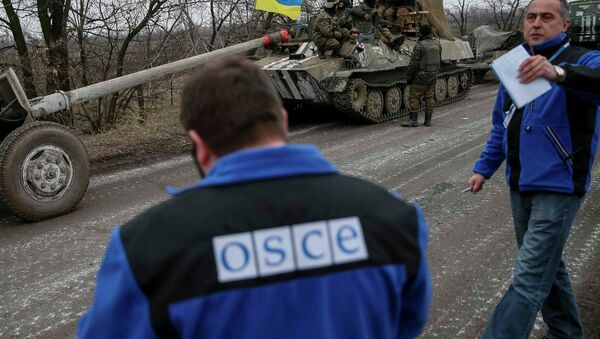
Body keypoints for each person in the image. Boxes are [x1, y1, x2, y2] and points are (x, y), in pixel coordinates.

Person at [77, 56, 432, 338]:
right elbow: (406, 322)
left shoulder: (145, 249)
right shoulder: (394, 220)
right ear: (282, 119)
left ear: (199, 146)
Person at [467, 0, 600, 337]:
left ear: (564, 25)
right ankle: (567, 333)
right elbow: (502, 125)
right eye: (531, 17)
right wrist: (484, 168)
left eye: (547, 17)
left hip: (560, 186)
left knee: (528, 279)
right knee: (547, 269)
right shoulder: (515, 65)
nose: (536, 23)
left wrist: (557, 73)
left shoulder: (581, 59)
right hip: (520, 184)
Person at [401, 24, 441, 127]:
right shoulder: (437, 44)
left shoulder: (420, 46)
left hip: (420, 76)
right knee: (429, 97)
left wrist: (409, 77)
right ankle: (428, 120)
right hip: (433, 75)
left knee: (414, 96)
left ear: (421, 34)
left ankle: (413, 120)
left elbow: (413, 64)